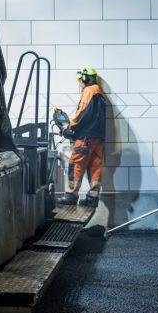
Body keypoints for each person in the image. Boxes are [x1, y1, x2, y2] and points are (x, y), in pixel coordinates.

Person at [55, 67, 107, 208]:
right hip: (98, 138)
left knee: (76, 164)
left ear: (85, 78)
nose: (79, 84)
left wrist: (70, 127)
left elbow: (82, 112)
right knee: (94, 167)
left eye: (80, 80)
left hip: (85, 137)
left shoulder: (89, 90)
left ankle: (71, 196)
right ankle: (92, 198)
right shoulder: (100, 92)